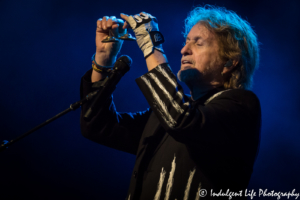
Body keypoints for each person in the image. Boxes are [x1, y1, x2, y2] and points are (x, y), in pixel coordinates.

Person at [80, 5, 261, 200]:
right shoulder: (164, 116)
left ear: (230, 62)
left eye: (198, 43)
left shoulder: (241, 106)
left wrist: (152, 45)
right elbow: (97, 125)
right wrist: (103, 61)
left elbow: (180, 119)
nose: (184, 50)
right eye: (186, 42)